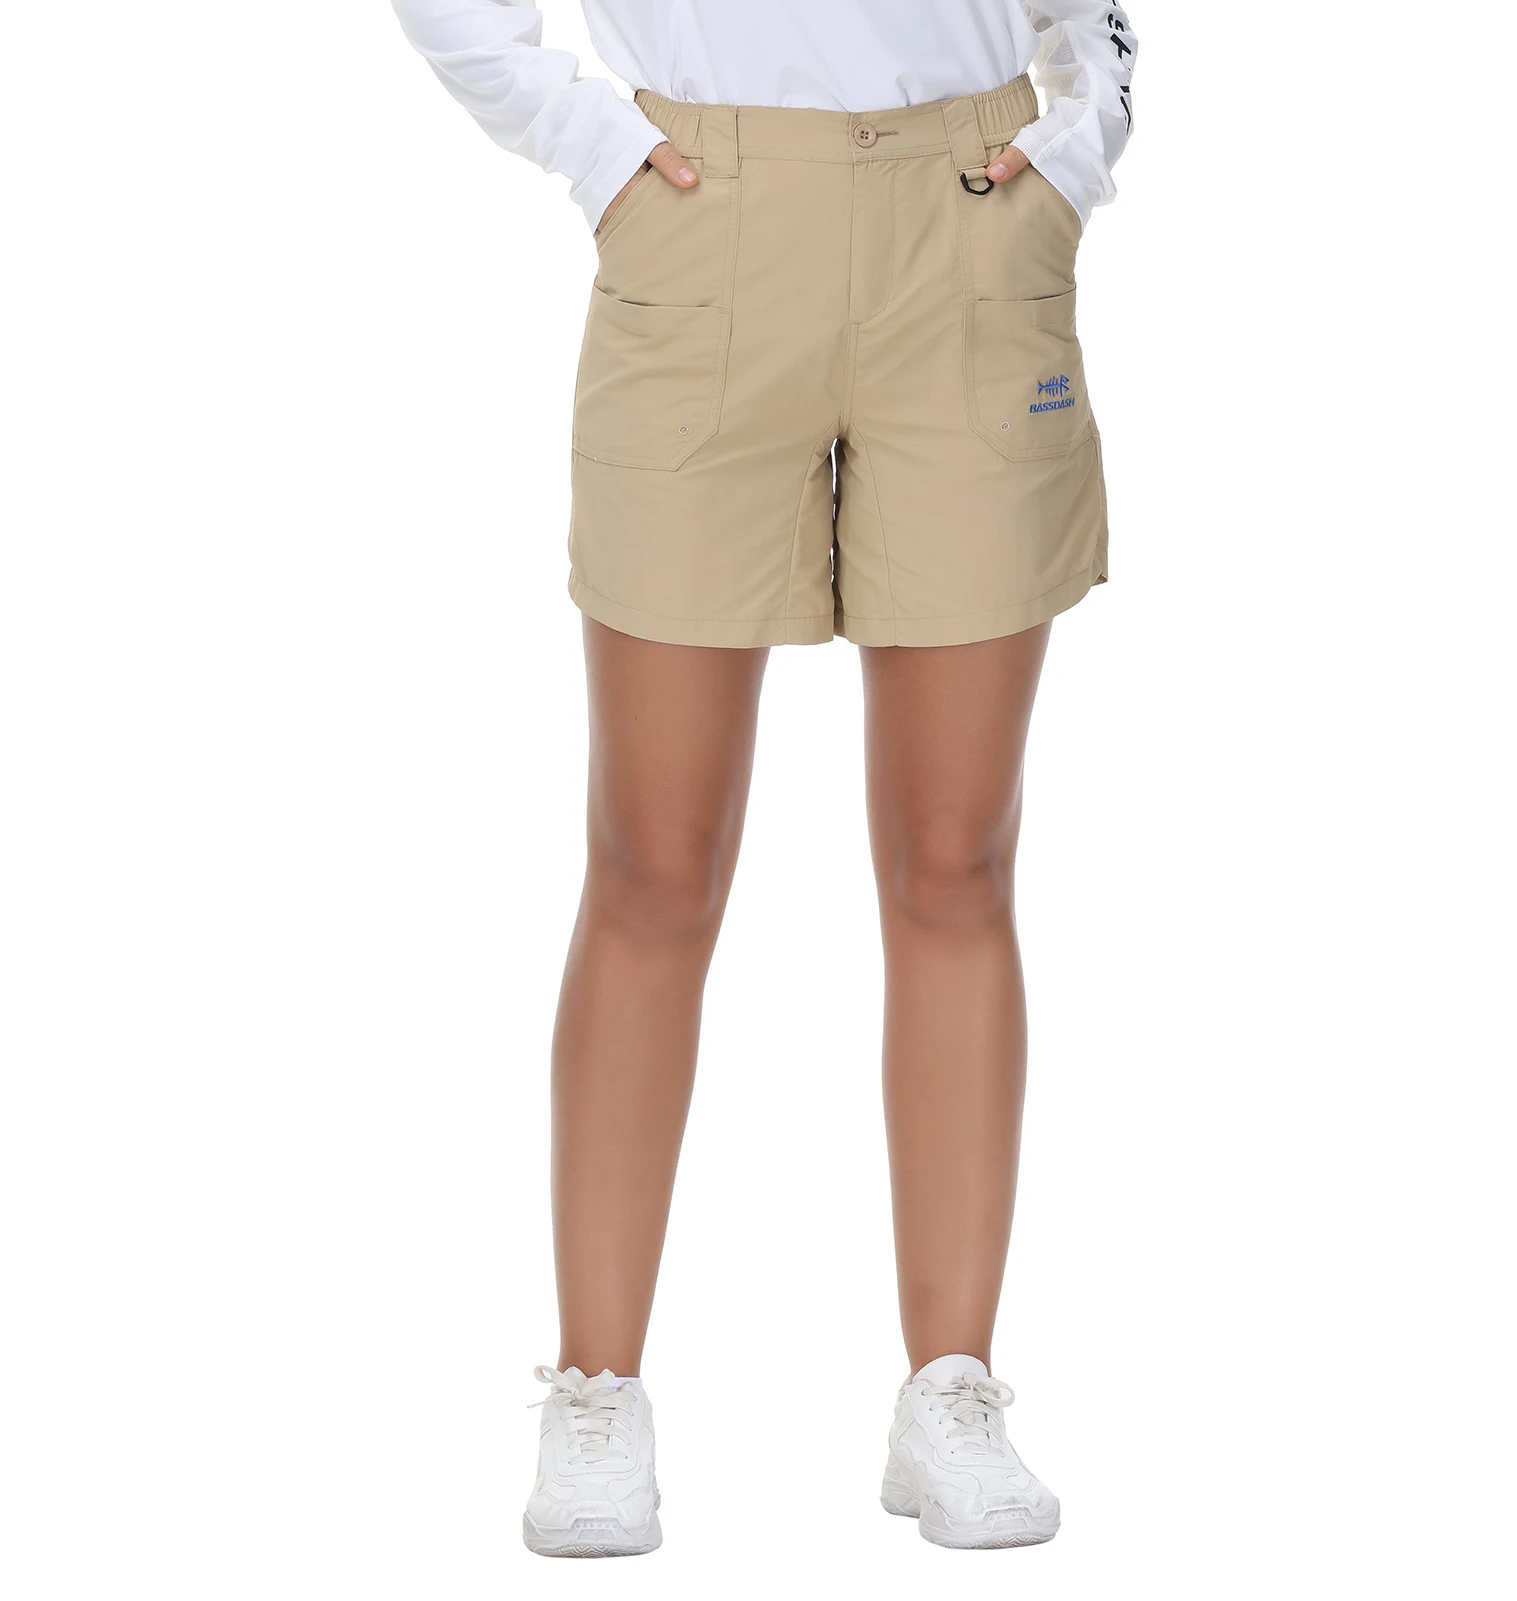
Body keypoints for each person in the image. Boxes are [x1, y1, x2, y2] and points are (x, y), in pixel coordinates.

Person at [391, 0, 1137, 1556]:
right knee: (653, 862)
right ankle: (598, 1390)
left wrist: (1086, 133)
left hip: (973, 219)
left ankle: (951, 1387)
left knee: (955, 859)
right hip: (700, 220)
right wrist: (585, 139)